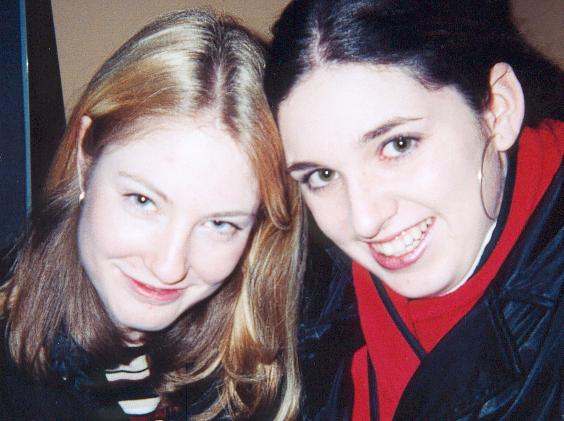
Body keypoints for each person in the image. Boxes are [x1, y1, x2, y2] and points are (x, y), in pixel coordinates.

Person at [264, 0, 563, 419]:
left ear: (499, 108)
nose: (365, 220)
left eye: (398, 145)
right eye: (322, 175)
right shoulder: (311, 298)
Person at [0, 9, 303, 421]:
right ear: (85, 158)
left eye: (219, 224)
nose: (168, 267)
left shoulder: (295, 355)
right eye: (143, 201)